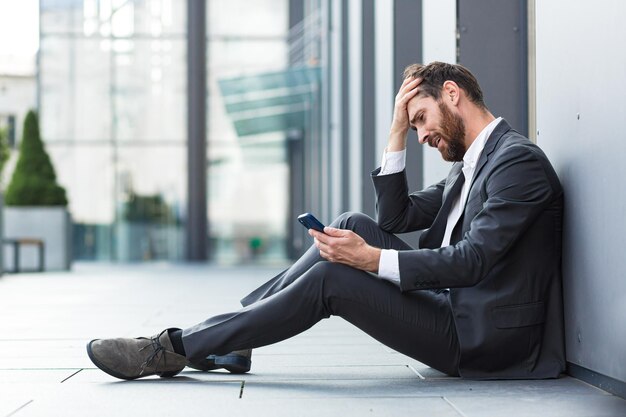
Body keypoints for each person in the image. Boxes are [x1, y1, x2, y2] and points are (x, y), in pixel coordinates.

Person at [87, 61, 565, 381]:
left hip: (486, 339)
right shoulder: (471, 166)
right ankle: (232, 337)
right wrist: (395, 128)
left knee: (337, 275)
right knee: (350, 223)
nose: (420, 134)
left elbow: (473, 261)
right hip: (455, 307)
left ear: (453, 95)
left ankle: (174, 348)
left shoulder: (515, 163)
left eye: (420, 119)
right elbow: (395, 216)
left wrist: (372, 260)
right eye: (414, 124)